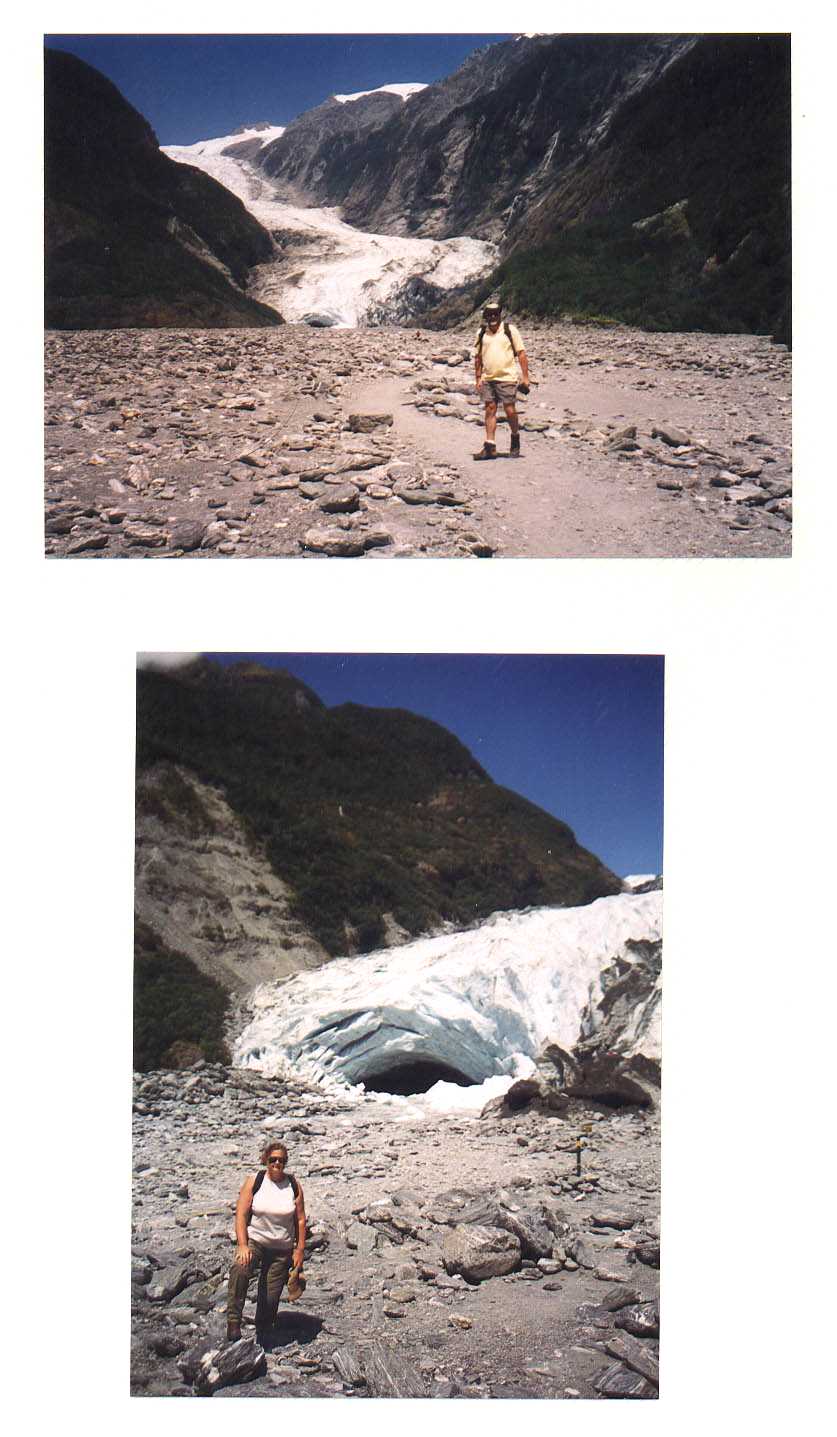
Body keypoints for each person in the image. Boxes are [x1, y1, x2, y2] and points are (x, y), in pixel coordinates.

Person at [226, 1140, 306, 1344]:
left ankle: (263, 1331)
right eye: (273, 1159)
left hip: (281, 1248)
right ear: (266, 1160)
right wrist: (242, 1245)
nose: (277, 1163)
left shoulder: (294, 1185)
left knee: (270, 1299)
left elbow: (300, 1219)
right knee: (240, 1269)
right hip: (257, 1241)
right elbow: (241, 1215)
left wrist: (299, 1250)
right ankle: (234, 1322)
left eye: (281, 1160)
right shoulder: (255, 1181)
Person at [472, 301, 531, 460]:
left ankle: (515, 436)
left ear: (499, 315)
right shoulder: (481, 333)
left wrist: (525, 377)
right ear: (485, 316)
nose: (492, 317)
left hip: (507, 377)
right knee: (490, 409)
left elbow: (521, 354)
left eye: (495, 314)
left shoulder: (509, 330)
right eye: (489, 314)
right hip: (488, 378)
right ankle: (490, 446)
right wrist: (478, 378)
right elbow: (477, 357)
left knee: (509, 409)